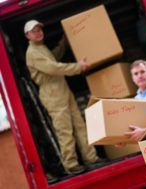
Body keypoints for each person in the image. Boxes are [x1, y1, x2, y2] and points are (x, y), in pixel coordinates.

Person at [24, 20, 106, 175]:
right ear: (28, 35)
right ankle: (71, 164)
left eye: (40, 29)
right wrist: (77, 67)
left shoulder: (41, 48)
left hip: (62, 90)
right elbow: (53, 67)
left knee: (79, 125)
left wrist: (64, 42)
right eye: (34, 31)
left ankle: (91, 158)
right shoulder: (32, 53)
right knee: (65, 130)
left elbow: (54, 58)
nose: (38, 32)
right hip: (52, 94)